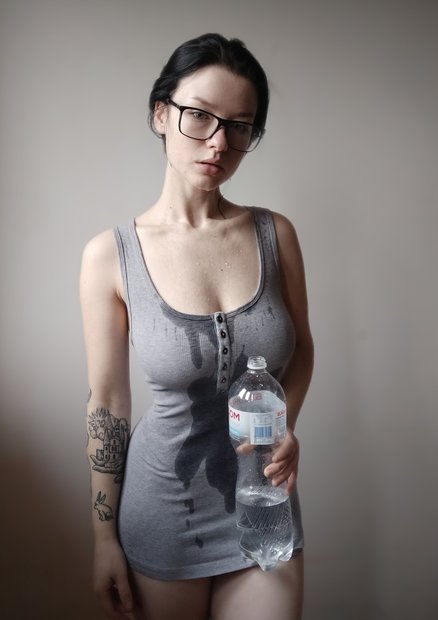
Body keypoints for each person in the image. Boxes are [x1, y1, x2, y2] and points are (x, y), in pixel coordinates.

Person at [80, 32, 314, 620]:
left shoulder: (275, 234)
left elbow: (303, 349)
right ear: (161, 114)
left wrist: (286, 426)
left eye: (240, 126)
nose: (219, 142)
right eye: (200, 116)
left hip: (263, 502)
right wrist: (103, 538)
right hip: (163, 511)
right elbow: (108, 403)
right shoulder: (110, 256)